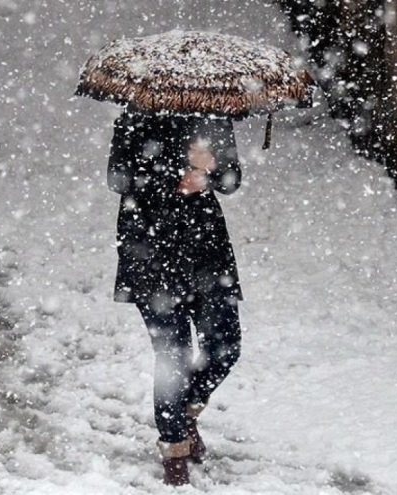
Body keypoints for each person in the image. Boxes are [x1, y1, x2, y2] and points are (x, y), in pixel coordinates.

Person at [107, 109, 243, 486]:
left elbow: (232, 181)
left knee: (226, 345)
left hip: (207, 253)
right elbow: (118, 179)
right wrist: (177, 173)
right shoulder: (134, 117)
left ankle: (183, 415)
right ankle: (174, 451)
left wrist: (211, 169)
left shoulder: (214, 115)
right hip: (150, 252)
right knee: (174, 357)